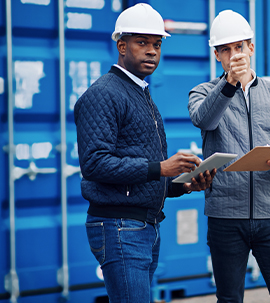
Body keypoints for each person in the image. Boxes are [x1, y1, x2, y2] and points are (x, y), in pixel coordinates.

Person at [74, 4, 216, 303]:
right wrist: (162, 169)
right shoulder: (104, 94)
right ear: (121, 45)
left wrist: (182, 185)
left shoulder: (139, 93)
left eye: (157, 44)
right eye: (142, 43)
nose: (152, 51)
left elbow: (140, 170)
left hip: (143, 226)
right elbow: (95, 164)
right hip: (120, 227)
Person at [188, 9, 270, 303]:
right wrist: (228, 83)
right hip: (225, 218)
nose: (233, 55)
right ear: (217, 55)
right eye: (225, 49)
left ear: (251, 47)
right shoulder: (202, 92)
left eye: (239, 46)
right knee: (229, 300)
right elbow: (205, 120)